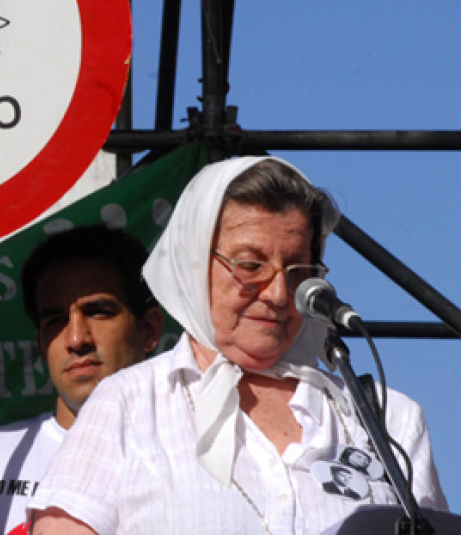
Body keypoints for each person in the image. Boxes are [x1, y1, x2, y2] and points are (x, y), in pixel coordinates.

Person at [28, 156, 448, 535]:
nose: (279, 293)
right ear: (194, 264)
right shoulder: (129, 404)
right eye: (250, 266)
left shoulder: (387, 420)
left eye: (299, 269)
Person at [0, 225, 164, 535]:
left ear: (150, 329)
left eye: (98, 312)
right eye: (56, 320)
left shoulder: (206, 459)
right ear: (41, 344)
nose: (76, 339)